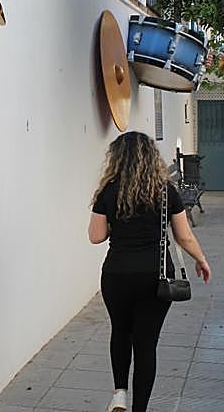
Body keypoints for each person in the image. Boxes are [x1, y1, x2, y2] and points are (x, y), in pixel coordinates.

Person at [88, 131, 211, 412]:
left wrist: (116, 226)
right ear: (151, 158)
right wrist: (201, 260)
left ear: (117, 159)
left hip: (117, 274)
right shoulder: (166, 191)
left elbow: (95, 236)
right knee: (145, 344)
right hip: (155, 276)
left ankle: (119, 394)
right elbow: (184, 236)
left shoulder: (109, 190)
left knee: (120, 331)